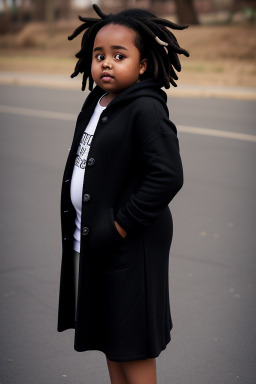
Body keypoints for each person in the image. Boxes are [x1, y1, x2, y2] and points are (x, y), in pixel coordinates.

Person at [57, 4, 189, 384]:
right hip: (97, 240)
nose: (106, 64)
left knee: (132, 344)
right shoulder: (97, 102)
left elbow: (167, 175)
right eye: (99, 56)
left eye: (119, 56)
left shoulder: (145, 108)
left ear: (144, 65)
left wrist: (120, 225)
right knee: (112, 340)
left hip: (128, 244)